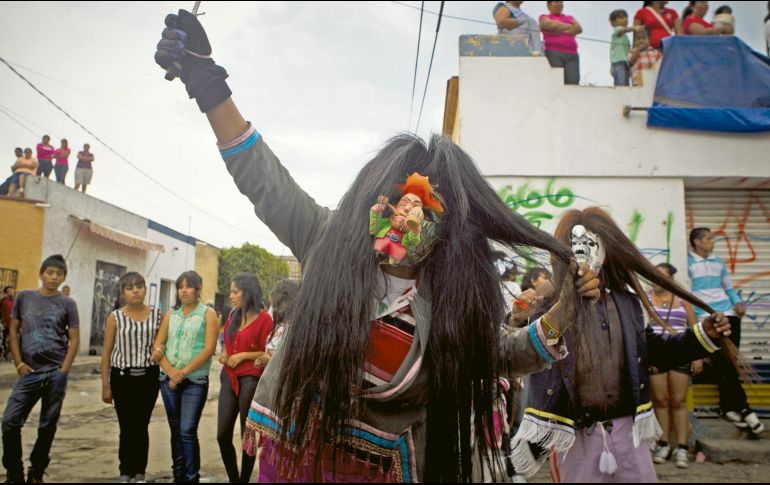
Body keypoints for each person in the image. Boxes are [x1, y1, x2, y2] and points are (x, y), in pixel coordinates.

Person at [154, 11, 602, 482]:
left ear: (445, 226)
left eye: (422, 209)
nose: (404, 217)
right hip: (297, 458)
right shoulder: (328, 242)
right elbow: (262, 179)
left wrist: (565, 308)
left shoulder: (452, 299)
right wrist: (206, 81)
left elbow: (505, 354)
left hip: (389, 469)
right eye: (396, 202)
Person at [509, 208, 734, 483]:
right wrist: (516, 320)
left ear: (607, 250)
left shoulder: (627, 304)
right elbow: (517, 351)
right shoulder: (546, 306)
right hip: (574, 436)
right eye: (575, 244)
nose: (584, 252)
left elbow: (656, 350)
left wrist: (703, 334)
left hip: (630, 432)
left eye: (592, 244)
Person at [1, 254, 80, 483]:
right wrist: (18, 363)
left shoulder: (68, 304)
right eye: (50, 272)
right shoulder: (25, 297)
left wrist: (64, 369)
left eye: (59, 274)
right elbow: (14, 332)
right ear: (41, 274)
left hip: (56, 372)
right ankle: (14, 473)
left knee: (47, 425)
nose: (54, 277)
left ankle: (36, 471)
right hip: (30, 372)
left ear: (64, 277)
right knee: (9, 422)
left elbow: (74, 338)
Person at [688, 228, 764, 435]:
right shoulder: (688, 263)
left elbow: (728, 287)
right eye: (708, 239)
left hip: (728, 314)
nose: (712, 242)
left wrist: (737, 303)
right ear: (696, 242)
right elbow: (688, 292)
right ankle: (744, 408)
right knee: (723, 361)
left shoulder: (718, 262)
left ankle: (729, 407)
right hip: (707, 318)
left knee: (729, 362)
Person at [151, 271, 218, 483]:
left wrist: (182, 373)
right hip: (168, 380)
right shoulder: (171, 314)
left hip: (194, 381)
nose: (183, 290)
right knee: (175, 429)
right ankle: (178, 476)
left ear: (198, 290)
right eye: (180, 286)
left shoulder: (207, 314)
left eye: (188, 286)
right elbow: (158, 346)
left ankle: (191, 478)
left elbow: (208, 349)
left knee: (187, 430)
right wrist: (170, 372)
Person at [100, 272, 161, 483]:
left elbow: (162, 346)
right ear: (123, 292)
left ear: (145, 289)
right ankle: (126, 473)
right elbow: (106, 353)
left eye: (139, 286)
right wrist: (105, 385)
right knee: (126, 427)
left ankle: (140, 473)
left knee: (141, 425)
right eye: (129, 287)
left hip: (148, 378)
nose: (135, 290)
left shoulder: (158, 316)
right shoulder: (115, 317)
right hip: (122, 378)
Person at [217, 273, 273, 483]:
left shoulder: (265, 319)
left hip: (250, 381)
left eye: (235, 292)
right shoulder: (233, 315)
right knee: (222, 435)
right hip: (228, 378)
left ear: (247, 293)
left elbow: (268, 353)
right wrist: (225, 353)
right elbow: (226, 343)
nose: (231, 295)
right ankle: (234, 479)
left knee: (246, 437)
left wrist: (243, 356)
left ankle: (243, 480)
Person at [647, 263, 701, 469]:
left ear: (670, 279)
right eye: (653, 275)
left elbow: (694, 329)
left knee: (678, 401)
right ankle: (664, 444)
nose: (655, 280)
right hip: (657, 355)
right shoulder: (646, 298)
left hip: (681, 354)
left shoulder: (682, 299)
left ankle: (682, 448)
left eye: (660, 276)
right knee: (660, 400)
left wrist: (697, 357)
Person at [539, 1, 582, 85]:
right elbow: (547, 24)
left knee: (573, 81)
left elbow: (579, 29)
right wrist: (570, 28)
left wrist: (557, 28)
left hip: (572, 54)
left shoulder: (570, 17)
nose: (559, 4)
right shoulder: (544, 17)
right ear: (549, 5)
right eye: (556, 2)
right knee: (556, 81)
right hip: (554, 53)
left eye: (561, 2)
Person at [262, 279, 300, 365]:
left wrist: (270, 362)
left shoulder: (295, 330)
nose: (273, 309)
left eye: (276, 305)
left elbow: (292, 363)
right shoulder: (279, 325)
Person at [609, 9, 641, 87]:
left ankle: (621, 98)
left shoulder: (625, 36)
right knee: (621, 86)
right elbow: (623, 30)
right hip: (619, 62)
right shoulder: (617, 30)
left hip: (624, 62)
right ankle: (619, 98)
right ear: (613, 22)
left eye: (626, 17)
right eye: (621, 17)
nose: (625, 19)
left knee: (624, 84)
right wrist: (634, 28)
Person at [1, 286, 15, 361]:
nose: (10, 292)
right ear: (6, 293)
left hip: (15, 325)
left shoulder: (17, 300)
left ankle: (9, 353)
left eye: (11, 290)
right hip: (5, 324)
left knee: (13, 340)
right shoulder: (3, 301)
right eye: (8, 291)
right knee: (3, 340)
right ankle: (4, 352)